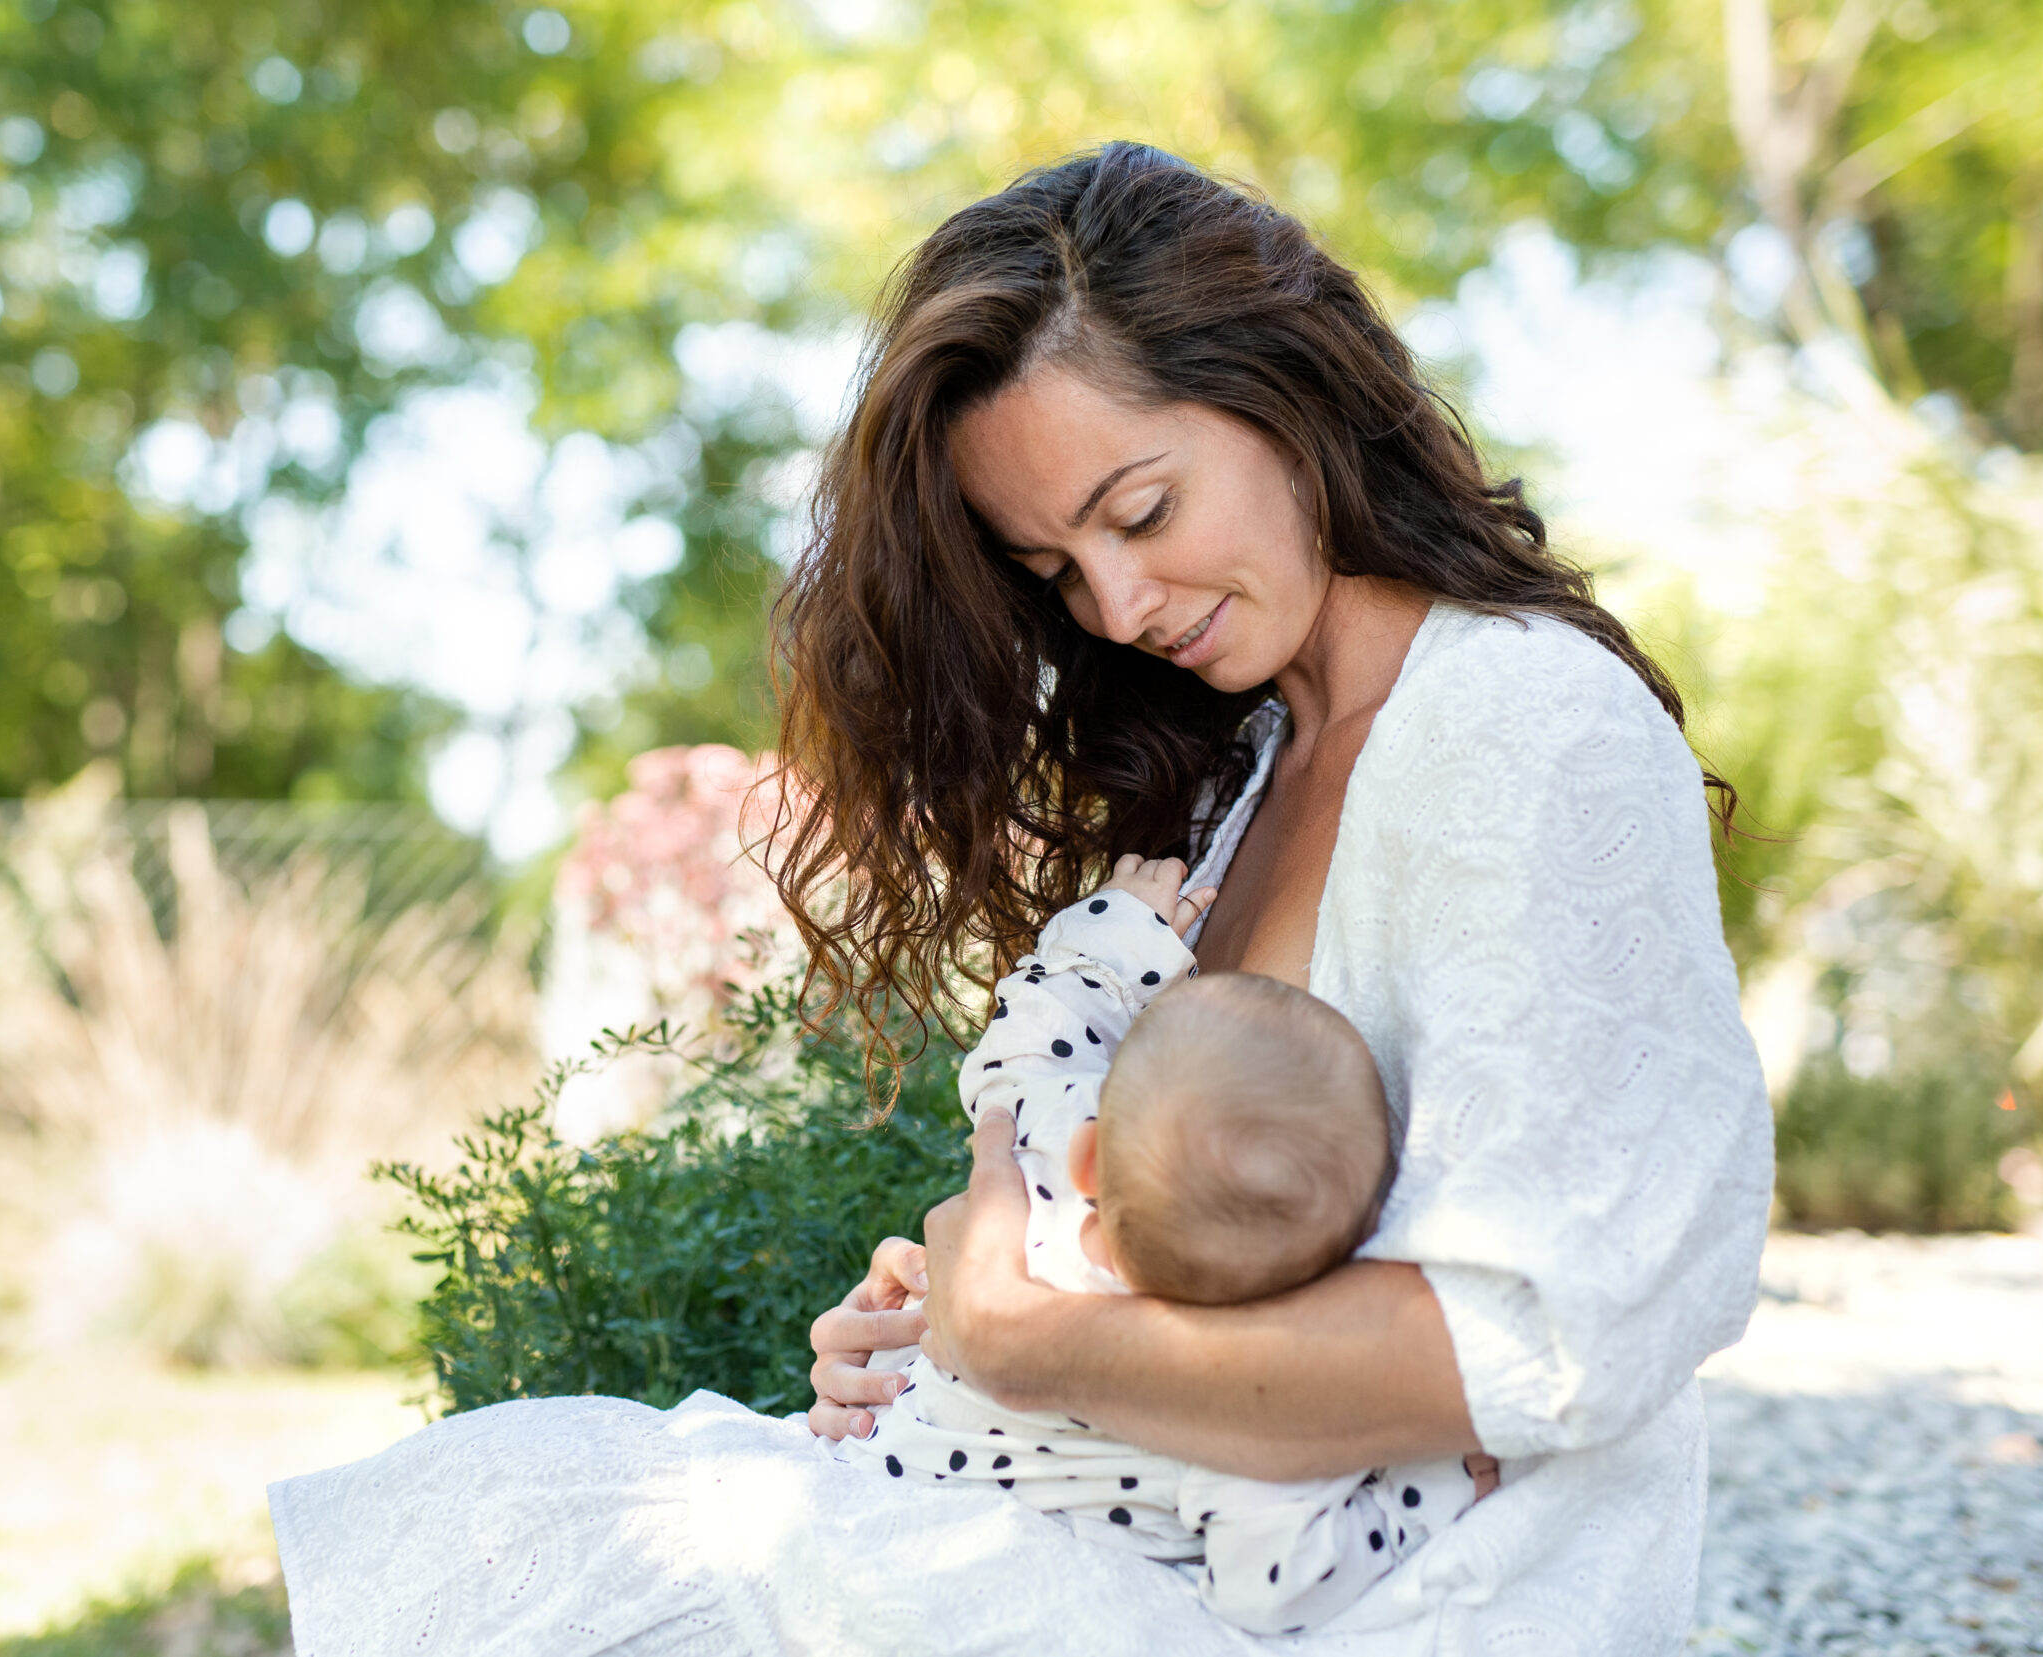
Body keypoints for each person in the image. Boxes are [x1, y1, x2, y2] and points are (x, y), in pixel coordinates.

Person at [267, 142, 1773, 1654]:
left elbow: (1558, 1326)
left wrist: (1031, 1340)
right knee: (558, 1509)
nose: (1116, 610)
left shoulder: (1522, 725)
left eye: (1144, 510)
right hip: (1173, 1539)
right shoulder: (1249, 769)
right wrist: (943, 1351)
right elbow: (1153, 1222)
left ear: (1288, 395)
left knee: (624, 1544)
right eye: (1054, 567)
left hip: (1395, 1605)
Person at [841, 851, 1480, 1636]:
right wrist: (1423, 1497)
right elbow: (1274, 1583)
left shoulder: (1047, 1139)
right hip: (1007, 1596)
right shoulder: (1234, 1408)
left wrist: (1122, 934)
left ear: (1091, 1155)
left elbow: (1028, 1045)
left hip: (881, 1484)